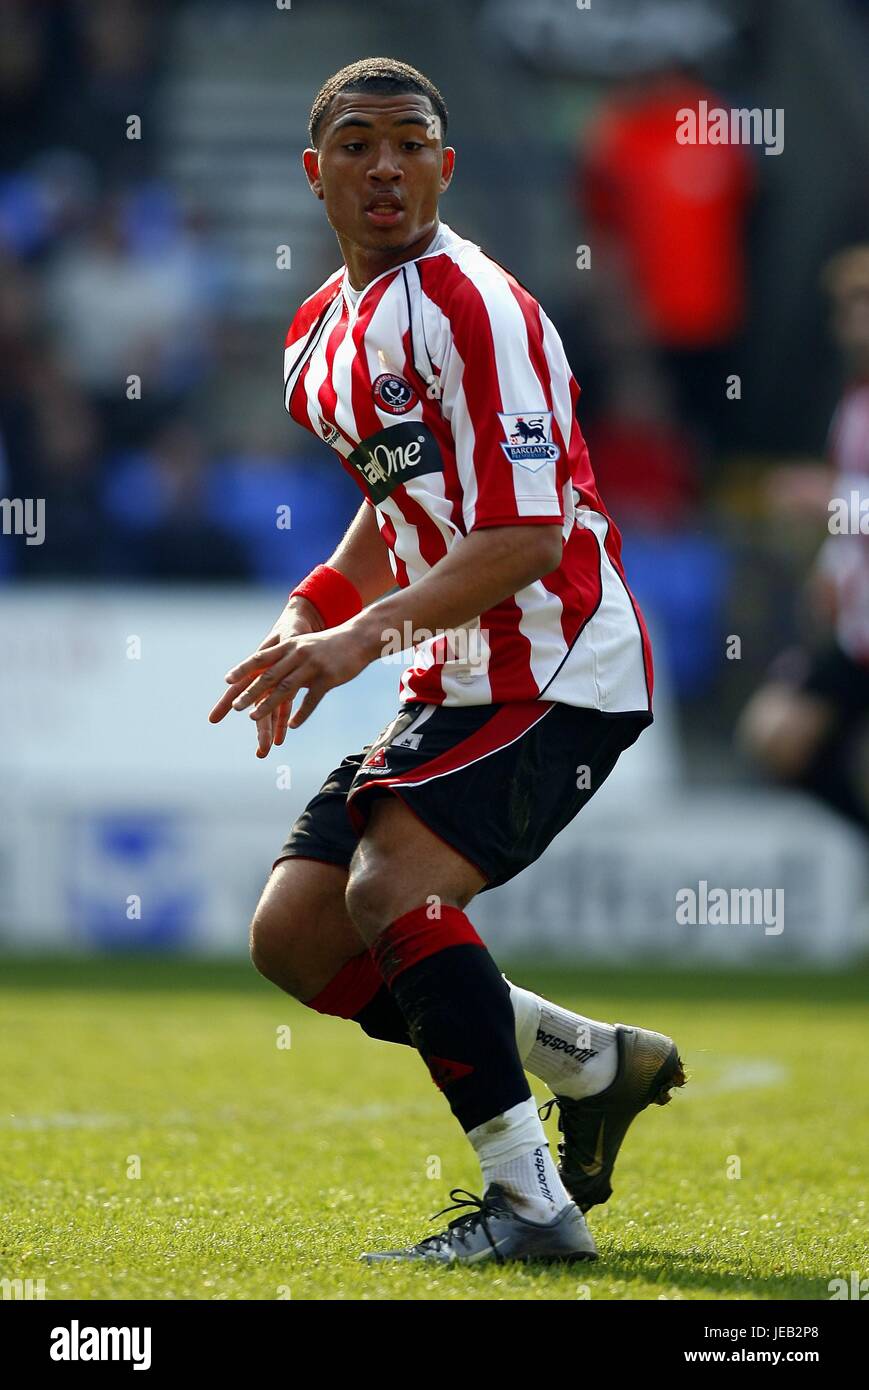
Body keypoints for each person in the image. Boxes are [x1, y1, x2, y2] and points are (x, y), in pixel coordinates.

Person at [210, 57, 684, 1266]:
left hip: (558, 662)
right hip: (455, 675)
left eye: (410, 144)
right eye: (357, 144)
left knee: (389, 893)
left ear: (444, 166)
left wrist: (361, 637)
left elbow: (523, 534)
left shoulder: (476, 304)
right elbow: (400, 498)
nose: (385, 167)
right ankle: (588, 1064)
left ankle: (530, 1206)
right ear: (313, 171)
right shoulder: (321, 327)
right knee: (298, 937)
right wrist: (306, 609)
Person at [738, 245, 869, 831]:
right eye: (843, 307)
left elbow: (845, 500)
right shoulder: (855, 404)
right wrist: (833, 569)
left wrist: (829, 497)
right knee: (775, 737)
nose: (845, 322)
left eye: (859, 304)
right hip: (856, 633)